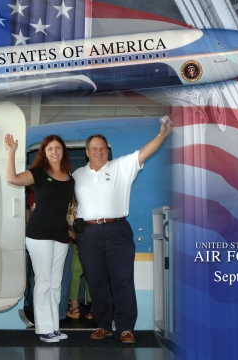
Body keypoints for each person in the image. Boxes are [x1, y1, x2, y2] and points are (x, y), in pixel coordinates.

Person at [73, 119, 172, 343]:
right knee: (96, 281)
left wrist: (162, 135)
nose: (99, 151)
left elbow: (145, 152)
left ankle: (126, 328)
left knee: (122, 280)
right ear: (87, 152)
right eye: (94, 148)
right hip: (88, 234)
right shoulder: (77, 175)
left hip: (117, 230)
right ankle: (103, 325)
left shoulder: (121, 166)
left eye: (103, 148)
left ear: (108, 150)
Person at [5, 133, 74, 343]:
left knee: (55, 283)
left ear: (63, 151)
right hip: (39, 233)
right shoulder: (38, 172)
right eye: (50, 148)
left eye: (58, 148)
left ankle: (53, 327)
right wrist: (11, 152)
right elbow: (12, 179)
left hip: (61, 234)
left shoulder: (69, 176)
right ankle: (44, 329)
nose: (55, 151)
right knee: (43, 281)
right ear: (44, 152)